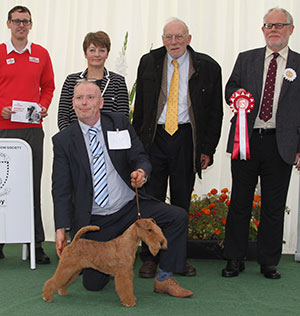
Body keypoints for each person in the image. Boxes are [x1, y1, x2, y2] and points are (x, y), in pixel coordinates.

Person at [52, 80, 194, 298]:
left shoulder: (118, 122)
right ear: (72, 104)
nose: (84, 103)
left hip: (129, 208)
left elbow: (139, 156)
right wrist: (61, 227)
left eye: (90, 97)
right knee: (93, 284)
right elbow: (61, 187)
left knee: (177, 216)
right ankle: (113, 262)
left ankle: (165, 278)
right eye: (79, 98)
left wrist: (141, 172)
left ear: (100, 102)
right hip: (96, 220)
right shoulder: (63, 140)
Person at [132, 18, 223, 278]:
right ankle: (150, 258)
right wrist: (137, 148)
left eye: (179, 37)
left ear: (189, 39)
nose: (174, 42)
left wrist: (208, 149)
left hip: (186, 139)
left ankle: (177, 259)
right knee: (151, 201)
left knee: (182, 203)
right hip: (155, 139)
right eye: (169, 37)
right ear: (163, 39)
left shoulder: (208, 67)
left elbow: (215, 112)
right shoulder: (148, 62)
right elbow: (140, 109)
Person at [222, 7, 300, 279]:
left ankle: (268, 262)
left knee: (273, 206)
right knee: (239, 202)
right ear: (263, 30)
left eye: (279, 25)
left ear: (291, 29)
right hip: (246, 140)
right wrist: (238, 96)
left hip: (282, 144)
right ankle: (234, 258)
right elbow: (230, 89)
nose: (274, 30)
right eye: (269, 25)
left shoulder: (299, 64)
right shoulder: (247, 59)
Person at [0, 5, 55, 263]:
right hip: (3, 130)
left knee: (31, 187)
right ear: (8, 24)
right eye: (16, 21)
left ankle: (36, 243)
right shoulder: (0, 53)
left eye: (25, 21)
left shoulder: (41, 54)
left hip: (32, 131)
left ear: (31, 25)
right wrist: (1, 110)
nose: (21, 25)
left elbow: (49, 87)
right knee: (3, 190)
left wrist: (43, 106)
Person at [57, 31, 129, 131]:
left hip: (108, 141)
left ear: (107, 54)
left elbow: (123, 118)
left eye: (102, 50)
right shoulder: (71, 81)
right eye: (92, 50)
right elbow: (63, 117)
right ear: (85, 53)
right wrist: (74, 138)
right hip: (75, 141)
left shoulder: (118, 82)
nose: (97, 54)